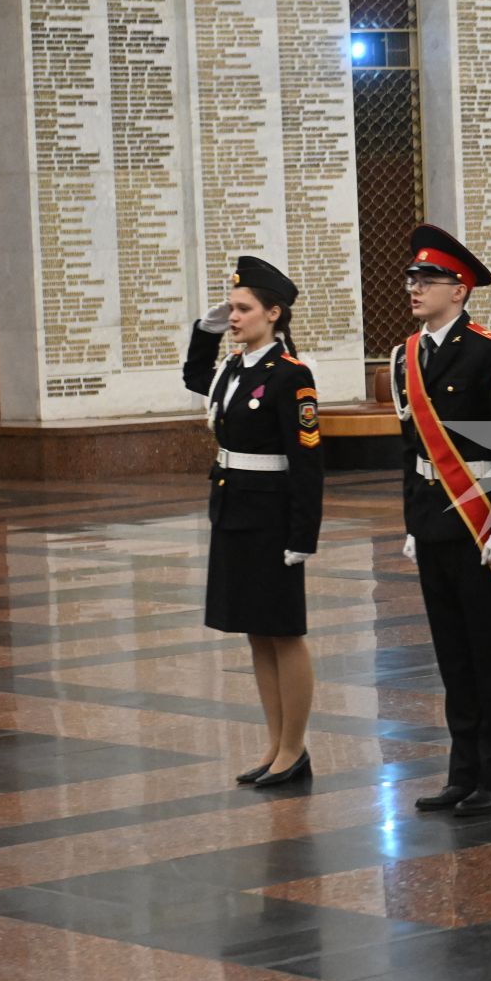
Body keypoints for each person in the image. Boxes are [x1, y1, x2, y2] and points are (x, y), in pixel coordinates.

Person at [392, 224, 491, 817]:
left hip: (479, 522)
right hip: (434, 519)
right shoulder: (408, 354)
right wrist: (411, 520)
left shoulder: (487, 353)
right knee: (451, 654)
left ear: (461, 288)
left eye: (428, 280)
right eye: (413, 279)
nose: (415, 288)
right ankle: (462, 770)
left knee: (487, 655)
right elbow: (411, 447)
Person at [183, 256, 323, 788]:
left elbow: (307, 461)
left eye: (243, 309)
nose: (234, 317)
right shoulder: (233, 368)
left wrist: (302, 535)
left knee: (284, 632)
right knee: (255, 635)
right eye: (232, 309)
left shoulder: (291, 376)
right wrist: (206, 330)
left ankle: (294, 748)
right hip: (234, 509)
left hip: (271, 517)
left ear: (273, 313)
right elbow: (196, 375)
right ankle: (273, 744)